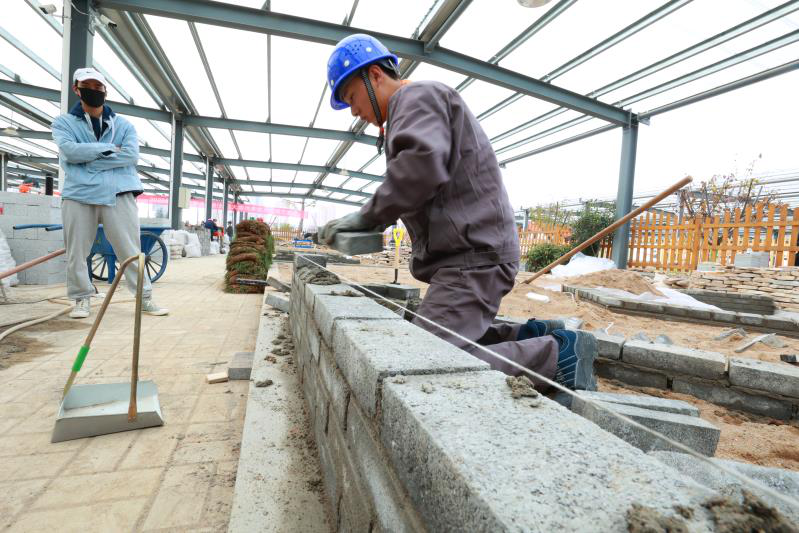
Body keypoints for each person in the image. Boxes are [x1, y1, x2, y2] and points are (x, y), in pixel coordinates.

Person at [319, 35, 596, 392]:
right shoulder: (411, 108)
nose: (354, 111)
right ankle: (528, 336)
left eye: (351, 97)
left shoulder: (416, 98)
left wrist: (368, 216)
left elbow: (420, 167)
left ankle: (557, 355)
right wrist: (370, 219)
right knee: (438, 337)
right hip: (469, 254)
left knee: (426, 357)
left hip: (473, 257)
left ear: (374, 75)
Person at [52, 67, 168, 319]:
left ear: (105, 90)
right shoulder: (63, 123)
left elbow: (131, 155)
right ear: (76, 89)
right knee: (76, 251)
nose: (93, 91)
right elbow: (70, 152)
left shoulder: (124, 125)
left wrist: (89, 160)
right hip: (79, 194)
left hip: (118, 193)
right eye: (87, 86)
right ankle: (81, 298)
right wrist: (107, 149)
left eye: (98, 87)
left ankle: (144, 298)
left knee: (130, 249)